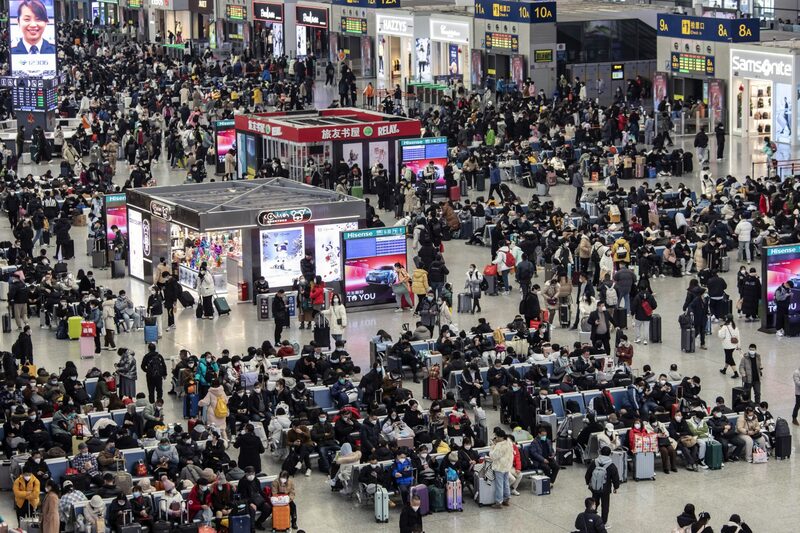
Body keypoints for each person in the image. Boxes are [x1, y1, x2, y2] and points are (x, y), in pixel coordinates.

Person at [584, 446, 620, 526]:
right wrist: (615, 487)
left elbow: (588, 474)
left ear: (600, 452)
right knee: (605, 505)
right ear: (609, 454)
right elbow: (615, 478)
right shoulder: (611, 465)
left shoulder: (594, 462)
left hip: (595, 488)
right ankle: (603, 522)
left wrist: (588, 483)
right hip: (605, 489)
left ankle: (591, 519)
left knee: (594, 503)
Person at [489, 427, 514, 509]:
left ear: (501, 437)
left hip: (500, 467)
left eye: (497, 437)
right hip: (507, 466)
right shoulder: (509, 442)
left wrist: (492, 446)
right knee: (506, 483)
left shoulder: (499, 446)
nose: (496, 438)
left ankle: (498, 502)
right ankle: (506, 499)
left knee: (499, 485)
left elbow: (493, 456)